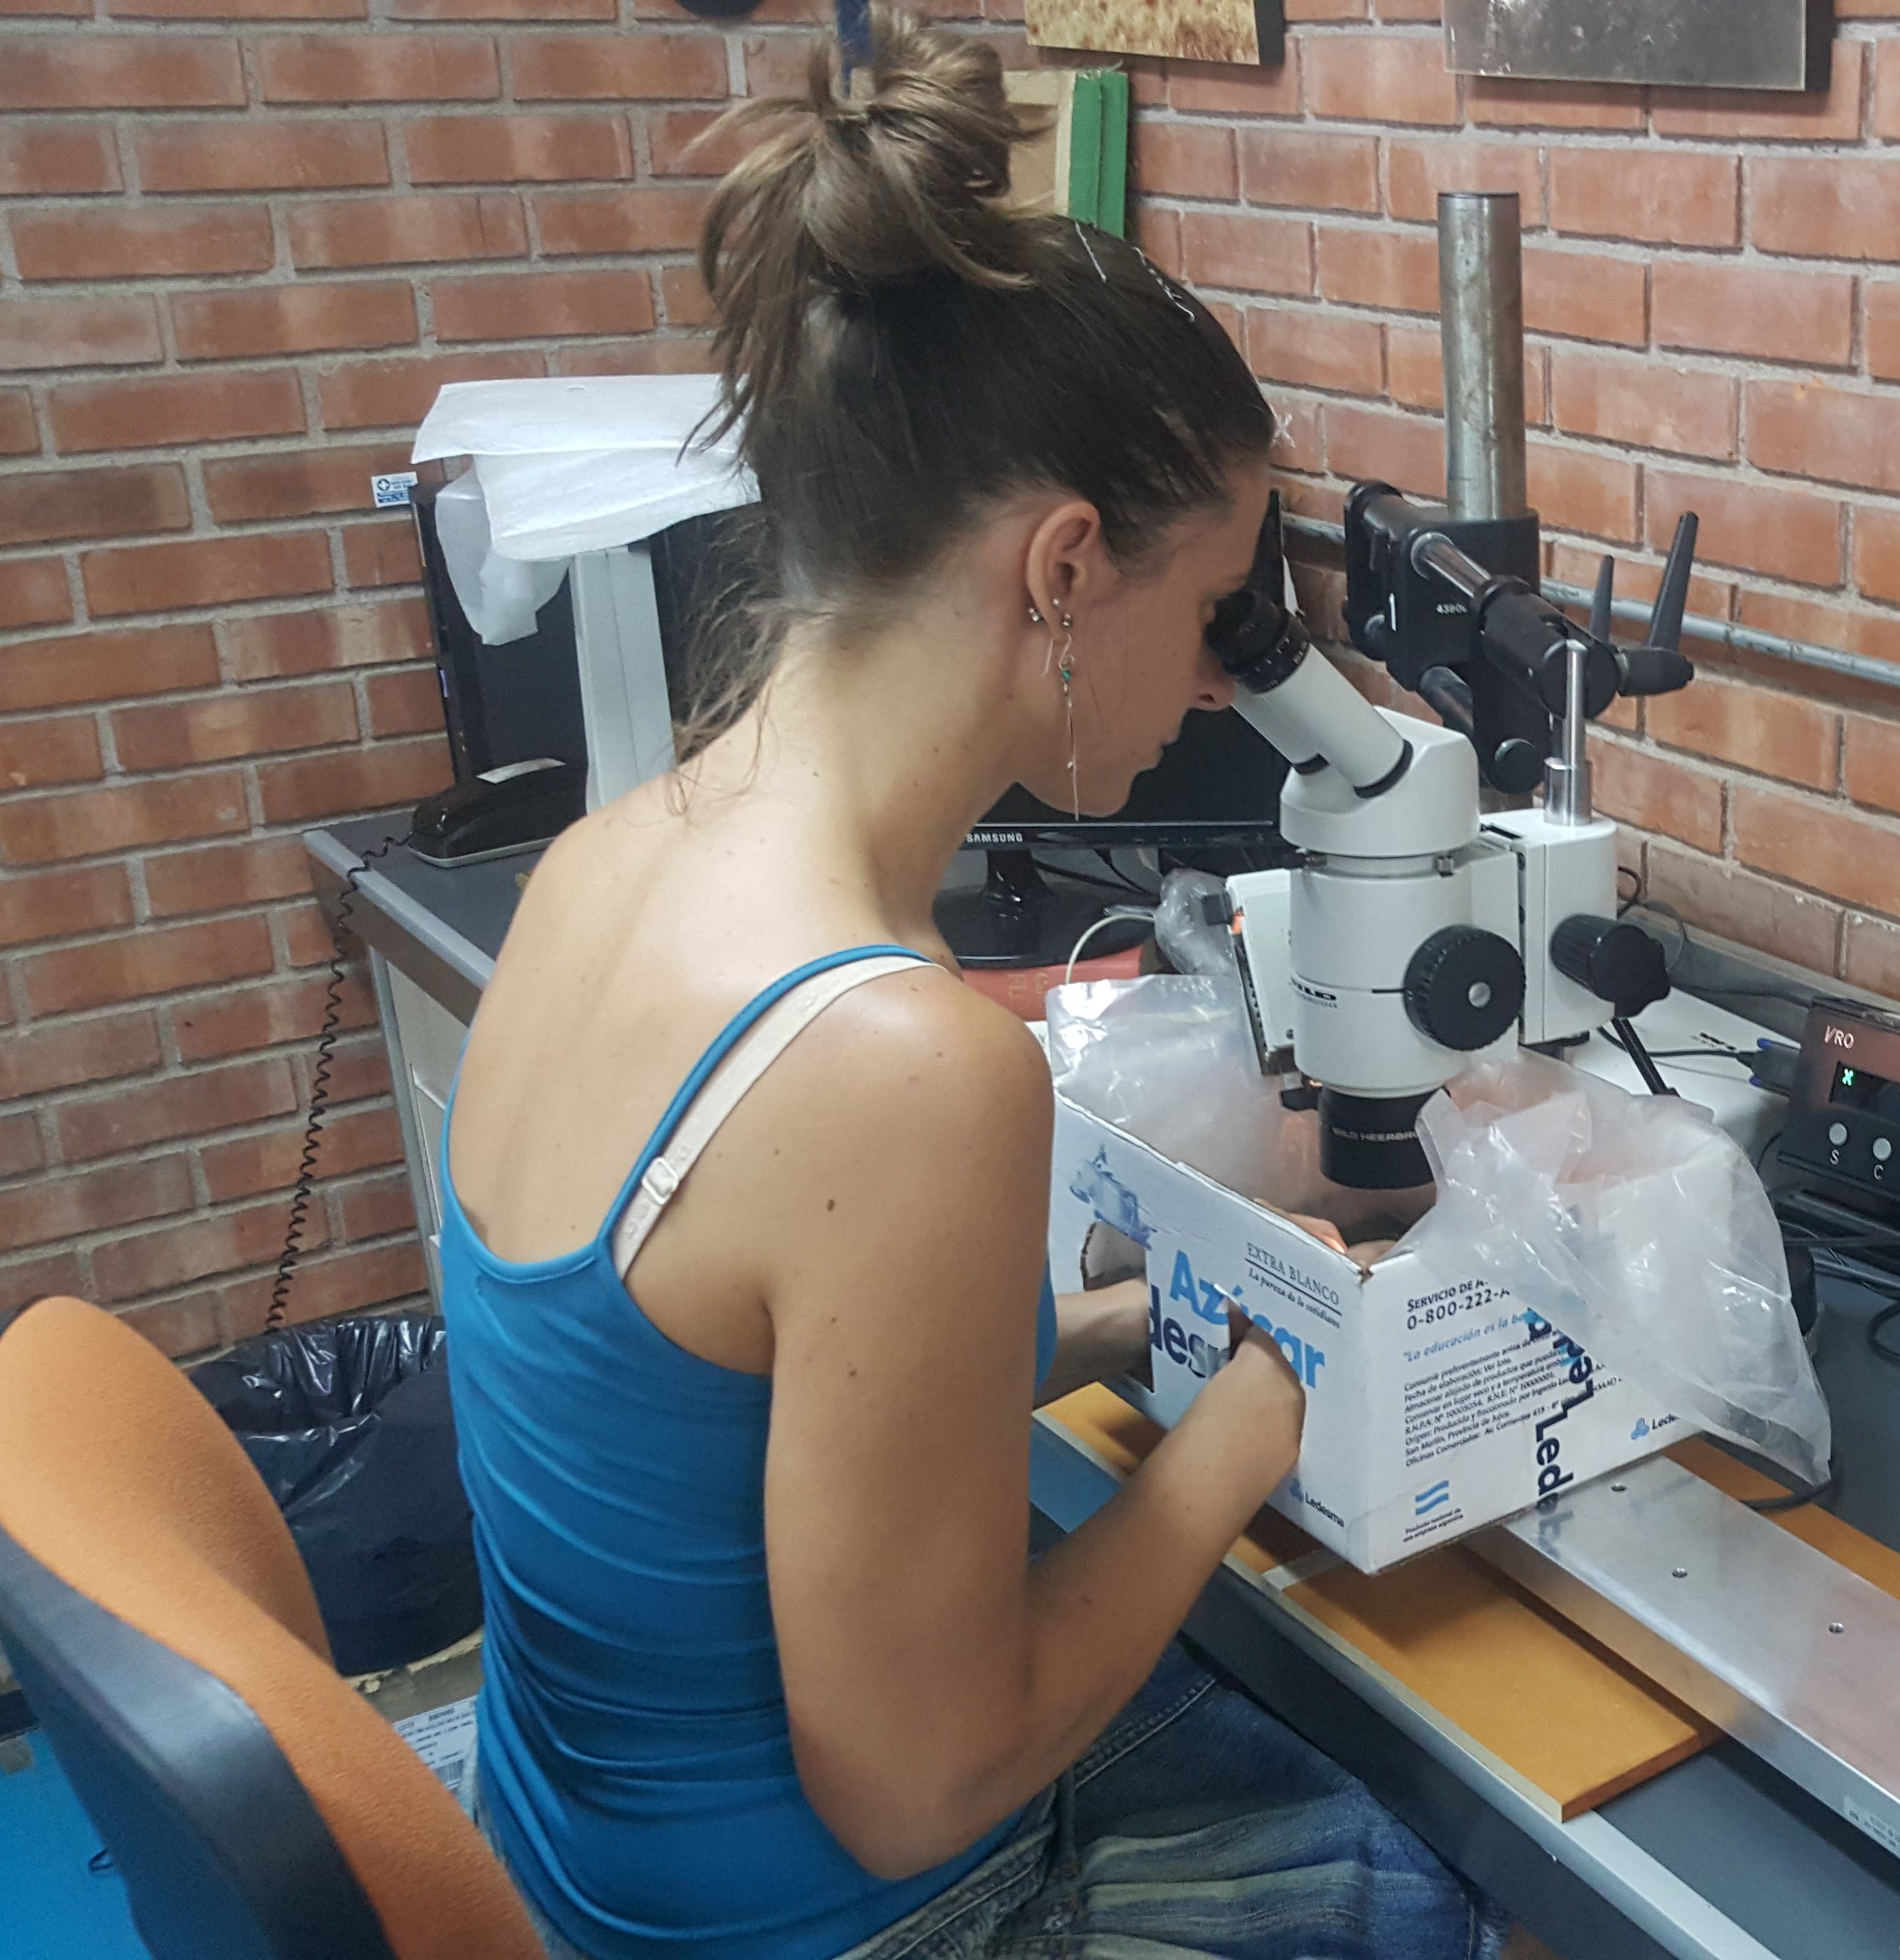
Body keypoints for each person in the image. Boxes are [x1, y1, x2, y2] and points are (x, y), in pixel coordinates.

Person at [432, 14, 1497, 1957]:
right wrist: (1251, 1427)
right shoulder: (901, 1065)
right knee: (1467, 1877)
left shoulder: (608, 863)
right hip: (810, 1930)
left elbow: (705, 1411)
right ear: (1066, 567)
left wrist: (1123, 1321)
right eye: (1215, 610)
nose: (1217, 685)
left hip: (562, 1865)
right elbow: (920, 1778)